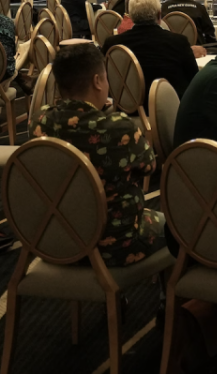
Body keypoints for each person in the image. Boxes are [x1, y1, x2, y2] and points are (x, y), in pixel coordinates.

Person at [30, 44, 164, 267]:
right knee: (178, 228)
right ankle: (167, 298)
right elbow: (149, 166)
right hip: (116, 244)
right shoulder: (119, 129)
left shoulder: (40, 122)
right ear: (97, 81)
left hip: (57, 240)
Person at [101, 0, 203, 103]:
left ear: (131, 16)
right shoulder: (179, 42)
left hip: (126, 110)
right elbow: (194, 81)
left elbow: (106, 81)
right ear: (159, 15)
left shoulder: (112, 44)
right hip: (171, 111)